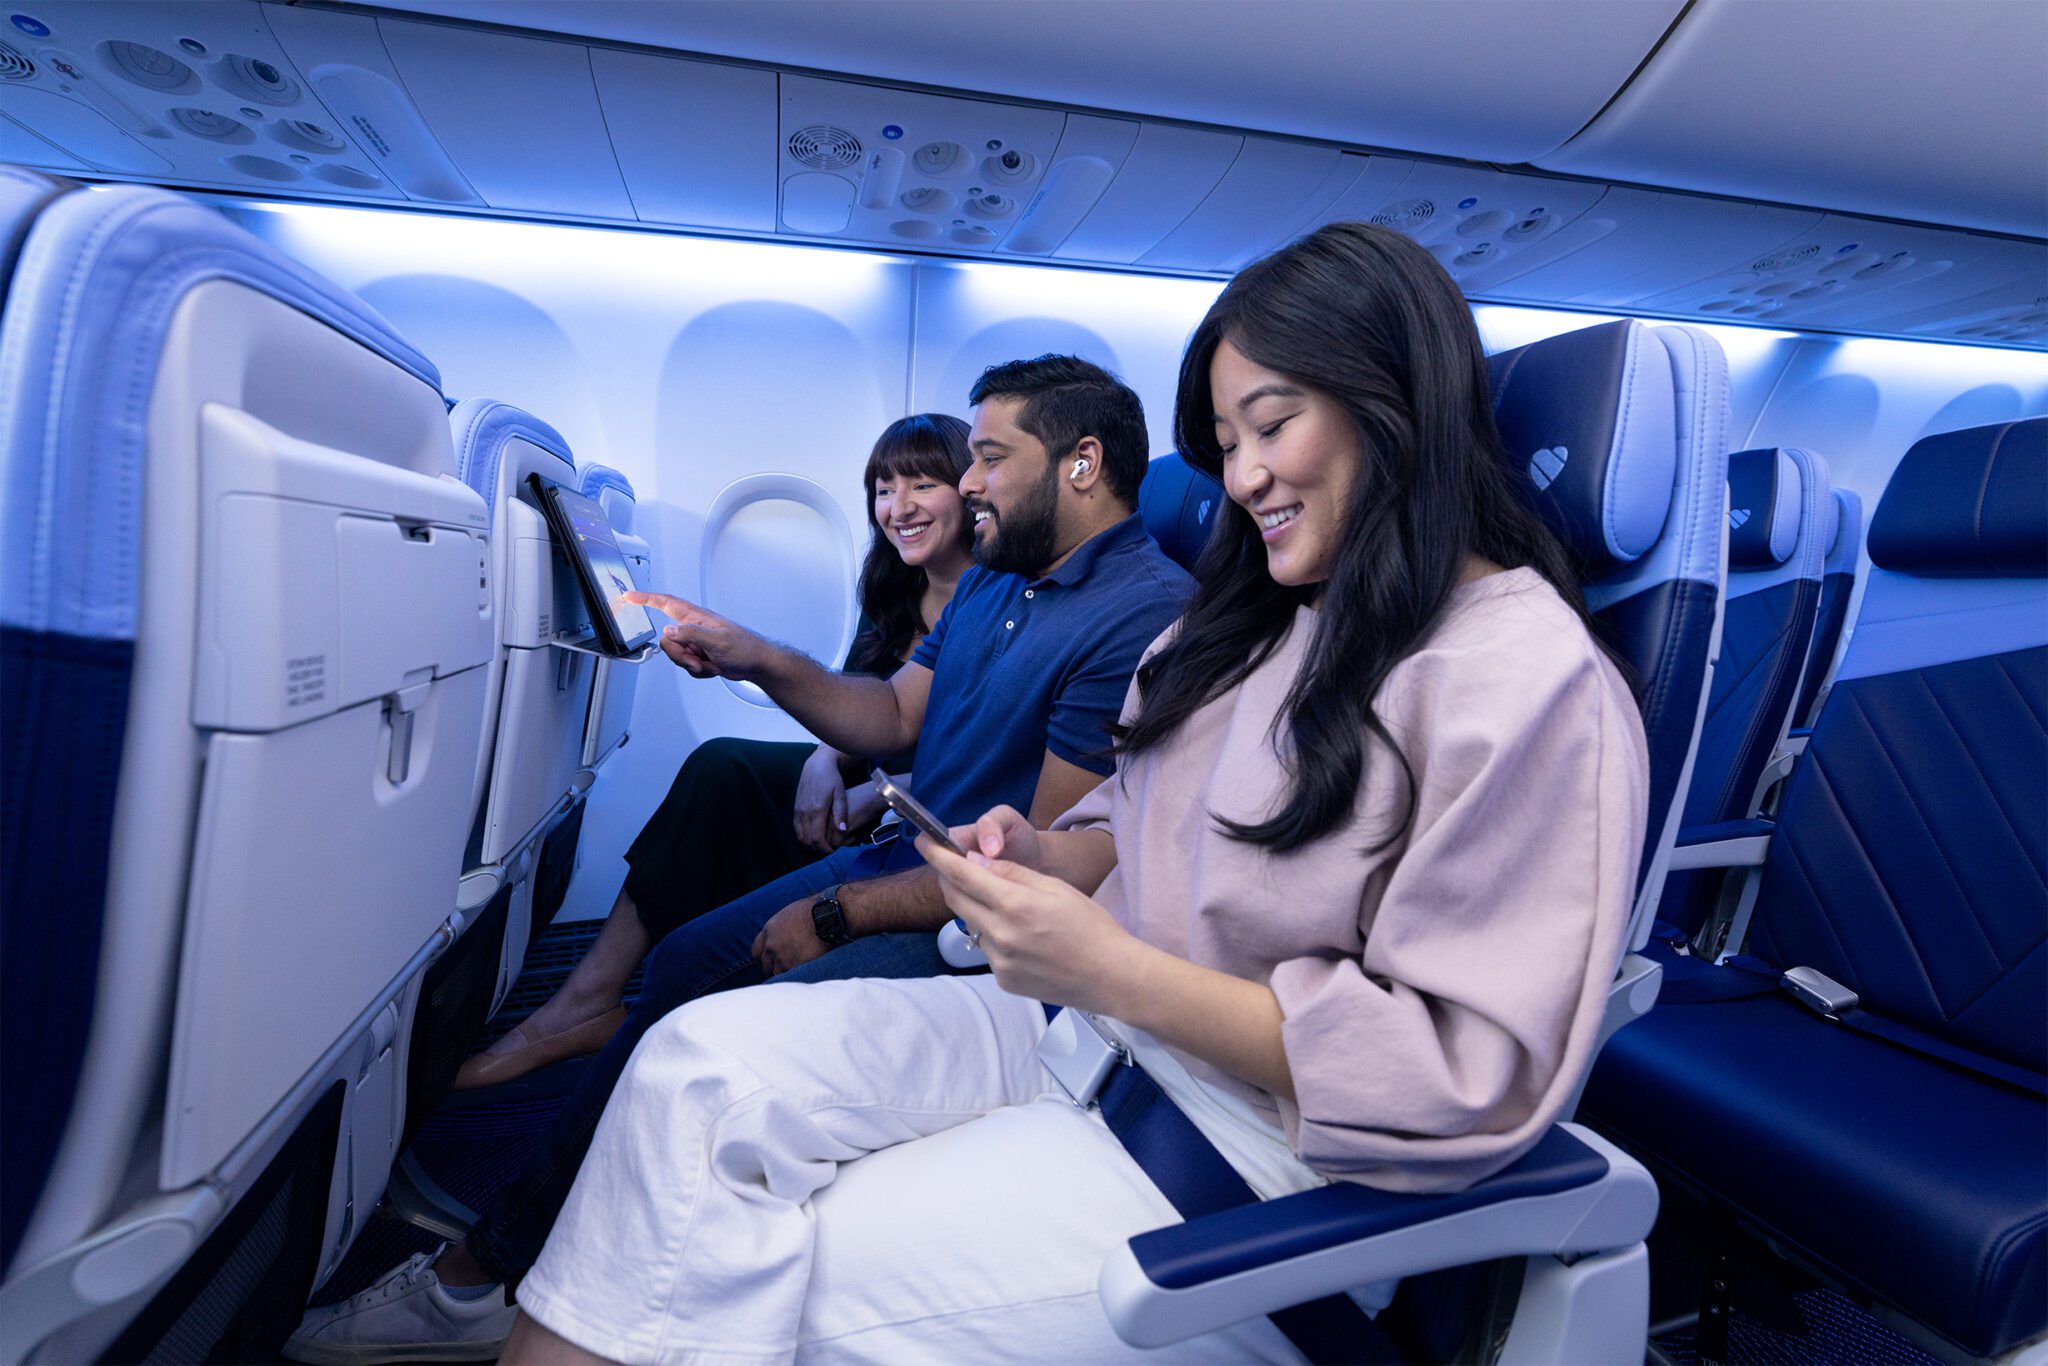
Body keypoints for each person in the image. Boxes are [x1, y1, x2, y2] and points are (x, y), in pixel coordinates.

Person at [498, 221, 1653, 1365]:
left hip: (1239, 1164)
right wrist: (1049, 859)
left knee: (735, 1273)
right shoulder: (1252, 629)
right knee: (689, 1069)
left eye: (1272, 425)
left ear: (1393, 403)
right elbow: (1124, 815)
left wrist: (1106, 966)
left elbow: (1454, 1072)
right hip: (1076, 1040)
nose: (1240, 476)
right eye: (1222, 441)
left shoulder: (1524, 682)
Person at [286, 356, 1193, 1364]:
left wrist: (843, 913)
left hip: (975, 932)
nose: (968, 481)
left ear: (1080, 463)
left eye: (987, 457)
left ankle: (486, 1272)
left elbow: (1035, 873)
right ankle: (541, 1249)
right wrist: (747, 649)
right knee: (679, 961)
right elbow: (891, 715)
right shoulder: (995, 580)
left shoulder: (1139, 616)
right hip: (905, 850)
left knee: (706, 1009)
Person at [453, 414, 975, 1090]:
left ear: (969, 489)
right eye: (882, 488)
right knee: (721, 768)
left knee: (734, 788)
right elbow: (862, 703)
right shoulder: (892, 589)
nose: (896, 508)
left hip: (926, 809)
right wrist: (822, 762)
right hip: (868, 783)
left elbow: (962, 743)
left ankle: (617, 1005)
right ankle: (587, 1001)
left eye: (922, 485)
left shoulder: (996, 602)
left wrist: (872, 794)